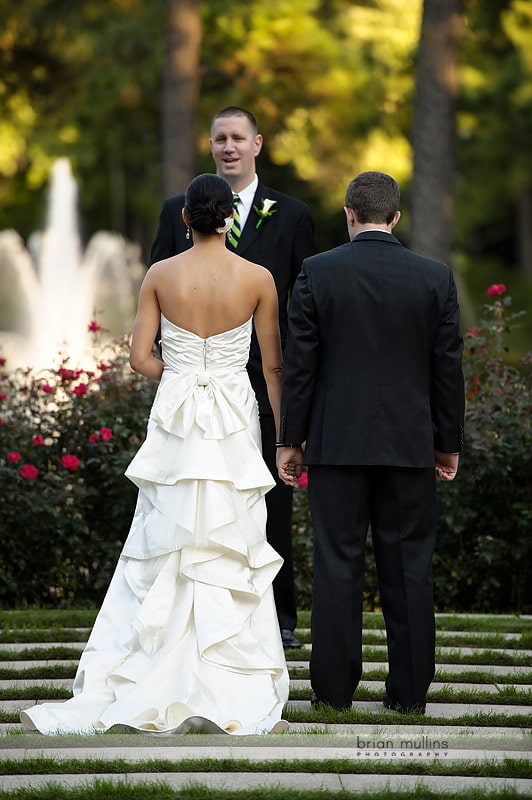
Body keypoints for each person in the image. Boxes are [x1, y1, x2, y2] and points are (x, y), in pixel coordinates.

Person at [21, 174, 290, 735]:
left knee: (163, 537)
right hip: (235, 420)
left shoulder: (161, 275)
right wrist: (285, 434)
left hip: (176, 420)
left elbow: (140, 358)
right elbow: (271, 367)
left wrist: (185, 374)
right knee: (231, 535)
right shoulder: (259, 278)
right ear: (229, 220)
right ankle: (229, 673)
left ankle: (145, 664)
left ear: (187, 219)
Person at [277, 171, 465, 714]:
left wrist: (291, 440)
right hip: (410, 446)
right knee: (409, 568)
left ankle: (333, 693)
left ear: (349, 214)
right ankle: (408, 695)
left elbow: (301, 366)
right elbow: (447, 369)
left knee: (337, 567)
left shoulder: (317, 272)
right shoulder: (436, 278)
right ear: (397, 217)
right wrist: (446, 443)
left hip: (336, 446)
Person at [150, 106, 316, 649]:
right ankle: (182, 614)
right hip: (192, 392)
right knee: (185, 502)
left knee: (268, 496)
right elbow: (154, 297)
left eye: (238, 138)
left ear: (257, 144)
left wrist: (295, 391)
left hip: (265, 386)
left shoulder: (291, 215)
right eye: (220, 138)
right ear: (211, 144)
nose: (228, 147)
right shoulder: (175, 211)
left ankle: (278, 616)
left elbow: (303, 305)